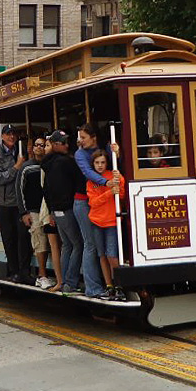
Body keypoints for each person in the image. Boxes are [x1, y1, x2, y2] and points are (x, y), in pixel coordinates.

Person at [0, 124, 32, 283]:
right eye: (8, 134)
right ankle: (14, 271)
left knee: (23, 235)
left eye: (14, 134)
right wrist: (16, 167)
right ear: (2, 136)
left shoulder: (20, 149)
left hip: (19, 201)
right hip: (4, 203)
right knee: (9, 237)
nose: (12, 137)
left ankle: (25, 271)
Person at [40, 130, 81, 293]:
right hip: (67, 209)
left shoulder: (48, 164)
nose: (67, 145)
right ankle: (70, 282)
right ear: (56, 145)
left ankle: (63, 281)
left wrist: (51, 211)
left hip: (56, 211)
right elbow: (78, 182)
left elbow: (46, 190)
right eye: (63, 143)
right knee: (78, 244)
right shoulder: (65, 162)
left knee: (67, 246)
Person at [73, 123, 109, 298]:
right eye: (79, 137)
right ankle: (92, 288)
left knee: (99, 246)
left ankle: (104, 283)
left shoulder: (102, 150)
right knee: (90, 245)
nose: (80, 141)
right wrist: (106, 183)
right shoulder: (80, 154)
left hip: (100, 203)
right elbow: (88, 172)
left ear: (93, 138)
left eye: (83, 137)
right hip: (83, 202)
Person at [87, 145, 127, 300]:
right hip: (96, 221)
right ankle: (109, 285)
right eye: (97, 162)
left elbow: (122, 195)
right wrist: (108, 192)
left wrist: (120, 180)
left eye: (102, 162)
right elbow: (93, 202)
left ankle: (120, 285)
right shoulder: (92, 181)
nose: (100, 165)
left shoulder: (113, 175)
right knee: (102, 254)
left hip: (111, 221)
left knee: (112, 254)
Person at [18, 136, 56, 290]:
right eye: (37, 145)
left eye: (43, 145)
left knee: (52, 241)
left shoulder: (50, 164)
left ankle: (53, 273)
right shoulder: (26, 167)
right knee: (40, 241)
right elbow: (19, 190)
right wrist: (23, 212)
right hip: (33, 210)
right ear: (32, 149)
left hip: (48, 208)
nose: (40, 148)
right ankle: (42, 275)